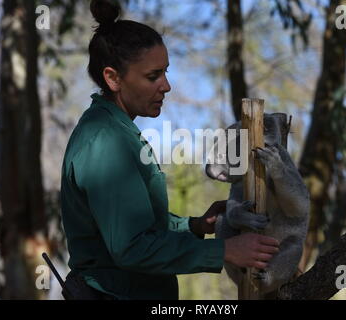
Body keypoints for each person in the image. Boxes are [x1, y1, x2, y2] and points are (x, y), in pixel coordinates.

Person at [60, 0, 280, 300]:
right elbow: (132, 248)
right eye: (153, 76)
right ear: (113, 78)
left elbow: (140, 223)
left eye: (165, 72)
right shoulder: (103, 141)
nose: (167, 86)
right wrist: (224, 250)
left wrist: (194, 226)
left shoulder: (119, 131)